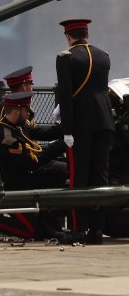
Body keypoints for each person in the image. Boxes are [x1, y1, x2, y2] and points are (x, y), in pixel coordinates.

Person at [55, 18, 114, 244]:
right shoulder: (103, 56)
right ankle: (97, 230)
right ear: (87, 35)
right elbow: (99, 89)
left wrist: (67, 130)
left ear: (68, 36)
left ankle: (78, 229)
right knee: (100, 177)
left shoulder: (65, 57)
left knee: (78, 177)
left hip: (80, 125)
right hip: (104, 122)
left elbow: (67, 95)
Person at [0, 92, 69, 240]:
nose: (28, 113)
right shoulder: (6, 137)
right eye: (26, 109)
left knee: (58, 174)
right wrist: (63, 144)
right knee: (32, 232)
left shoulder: (18, 126)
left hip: (23, 183)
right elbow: (33, 161)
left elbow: (40, 132)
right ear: (17, 111)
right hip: (10, 191)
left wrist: (66, 129)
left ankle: (48, 221)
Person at [0, 66, 65, 190]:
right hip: (13, 176)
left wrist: (65, 130)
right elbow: (28, 159)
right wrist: (63, 144)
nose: (31, 88)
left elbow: (34, 132)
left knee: (62, 165)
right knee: (60, 172)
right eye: (30, 84)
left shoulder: (14, 116)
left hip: (22, 163)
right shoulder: (7, 117)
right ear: (23, 86)